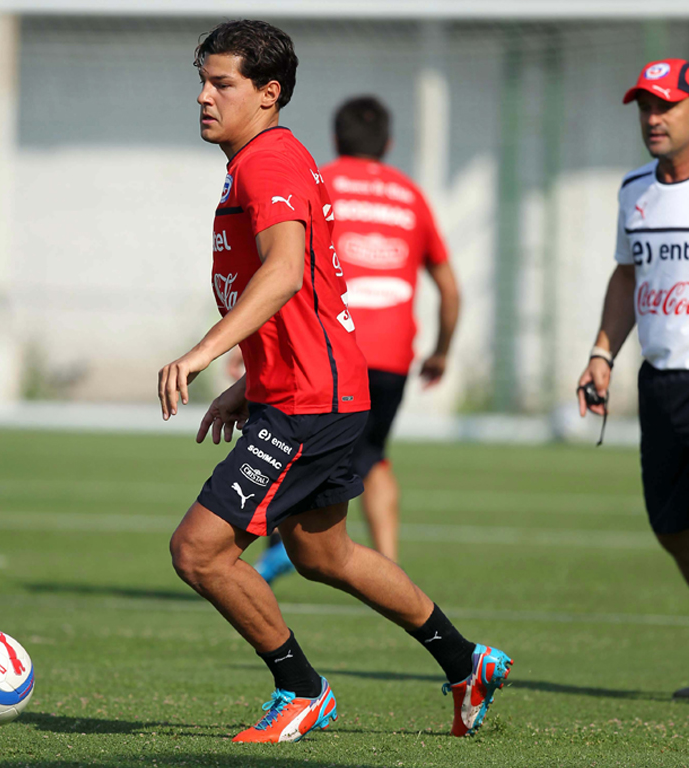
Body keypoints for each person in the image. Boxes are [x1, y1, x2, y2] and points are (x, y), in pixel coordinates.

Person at [159, 19, 511, 743]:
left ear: (268, 93)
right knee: (326, 554)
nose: (203, 96)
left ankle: (301, 689)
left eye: (220, 83)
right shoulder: (259, 160)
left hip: (308, 404)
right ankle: (464, 659)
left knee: (199, 550)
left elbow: (285, 274)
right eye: (202, 80)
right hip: (313, 390)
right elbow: (302, 290)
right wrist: (248, 381)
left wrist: (202, 353)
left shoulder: (269, 163)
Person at [254, 95, 460, 582]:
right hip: (391, 352)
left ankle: (278, 549)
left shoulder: (313, 182)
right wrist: (442, 352)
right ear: (387, 143)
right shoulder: (410, 194)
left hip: (322, 346)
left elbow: (283, 270)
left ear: (334, 138)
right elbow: (450, 289)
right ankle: (388, 566)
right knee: (373, 456)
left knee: (285, 443)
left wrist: (256, 350)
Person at [577, 58, 689, 701]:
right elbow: (627, 275)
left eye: (666, 105)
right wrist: (601, 353)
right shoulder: (635, 189)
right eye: (645, 106)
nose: (653, 118)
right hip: (661, 382)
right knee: (671, 525)